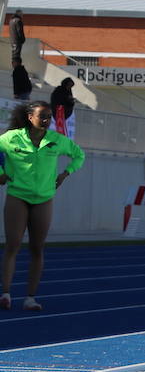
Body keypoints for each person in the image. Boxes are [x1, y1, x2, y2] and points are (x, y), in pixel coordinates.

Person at [0, 101, 84, 311]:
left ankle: (30, 298)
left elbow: (79, 155)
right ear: (30, 117)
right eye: (42, 116)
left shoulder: (56, 140)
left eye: (49, 117)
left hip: (44, 199)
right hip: (17, 196)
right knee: (13, 245)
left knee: (37, 248)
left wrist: (66, 173)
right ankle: (6, 294)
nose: (47, 121)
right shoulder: (12, 138)